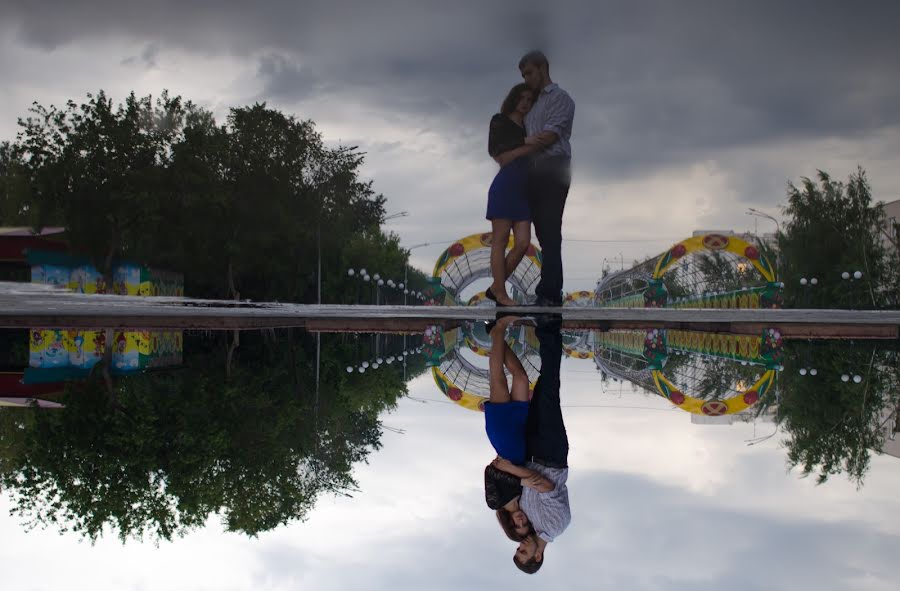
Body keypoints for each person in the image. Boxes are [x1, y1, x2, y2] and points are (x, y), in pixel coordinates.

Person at [493, 314, 570, 574]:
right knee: (549, 384)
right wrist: (516, 474)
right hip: (551, 452)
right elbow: (544, 484)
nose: (521, 545)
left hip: (532, 449)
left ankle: (497, 335)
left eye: (517, 549)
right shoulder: (557, 525)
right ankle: (549, 325)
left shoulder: (530, 522)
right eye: (524, 551)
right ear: (537, 557)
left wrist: (518, 476)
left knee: (532, 387)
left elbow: (526, 484)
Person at [483, 314, 553, 543]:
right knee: (522, 378)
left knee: (498, 379)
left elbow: (491, 471)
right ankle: (496, 335)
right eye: (526, 525)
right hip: (520, 436)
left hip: (503, 437)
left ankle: (499, 329)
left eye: (517, 525)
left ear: (509, 524)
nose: (522, 521)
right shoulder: (524, 502)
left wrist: (519, 480)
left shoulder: (495, 502)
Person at [519, 50, 575, 307]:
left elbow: (549, 137)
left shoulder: (561, 98)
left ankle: (551, 291)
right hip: (534, 170)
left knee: (551, 227)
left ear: (543, 67)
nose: (526, 78)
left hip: (554, 167)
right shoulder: (530, 105)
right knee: (542, 230)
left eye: (529, 72)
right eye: (523, 75)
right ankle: (548, 288)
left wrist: (520, 143)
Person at [485, 84, 544, 307]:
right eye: (522, 98)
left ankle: (495, 288)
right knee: (499, 241)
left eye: (530, 99)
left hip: (524, 191)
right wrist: (527, 144)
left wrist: (527, 145)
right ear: (513, 99)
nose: (525, 103)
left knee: (523, 243)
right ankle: (500, 294)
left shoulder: (530, 125)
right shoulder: (500, 121)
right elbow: (500, 157)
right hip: (505, 186)